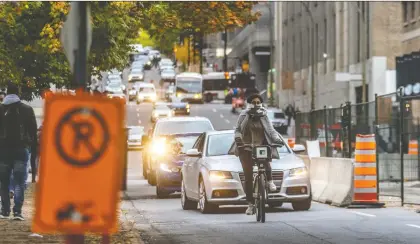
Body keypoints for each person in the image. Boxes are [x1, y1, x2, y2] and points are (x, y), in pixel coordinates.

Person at [232, 93, 284, 215]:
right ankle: (250, 204)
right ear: (249, 104)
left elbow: (271, 130)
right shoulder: (244, 114)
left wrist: (276, 139)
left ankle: (270, 181)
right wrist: (238, 139)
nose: (256, 105)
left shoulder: (264, 115)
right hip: (246, 147)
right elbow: (238, 129)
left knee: (266, 162)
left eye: (258, 102)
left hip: (260, 146)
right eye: (253, 102)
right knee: (248, 176)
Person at [0, 82, 37, 220]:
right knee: (19, 181)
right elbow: (33, 131)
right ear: (18, 93)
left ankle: (4, 211)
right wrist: (33, 148)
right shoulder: (27, 109)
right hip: (21, 150)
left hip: (3, 150)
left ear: (7, 93)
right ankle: (17, 212)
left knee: (3, 182)